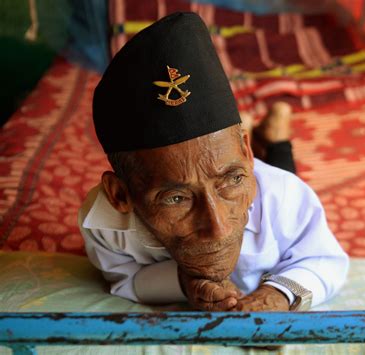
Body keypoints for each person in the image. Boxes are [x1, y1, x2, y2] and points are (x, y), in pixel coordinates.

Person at [78, 12, 349, 312]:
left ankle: (276, 138)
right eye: (177, 198)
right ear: (120, 195)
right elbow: (125, 278)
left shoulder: (284, 195)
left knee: (279, 175)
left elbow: (324, 262)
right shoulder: (102, 223)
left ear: (247, 153)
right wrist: (184, 283)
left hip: (267, 180)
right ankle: (258, 139)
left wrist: (279, 294)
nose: (218, 227)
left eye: (233, 180)